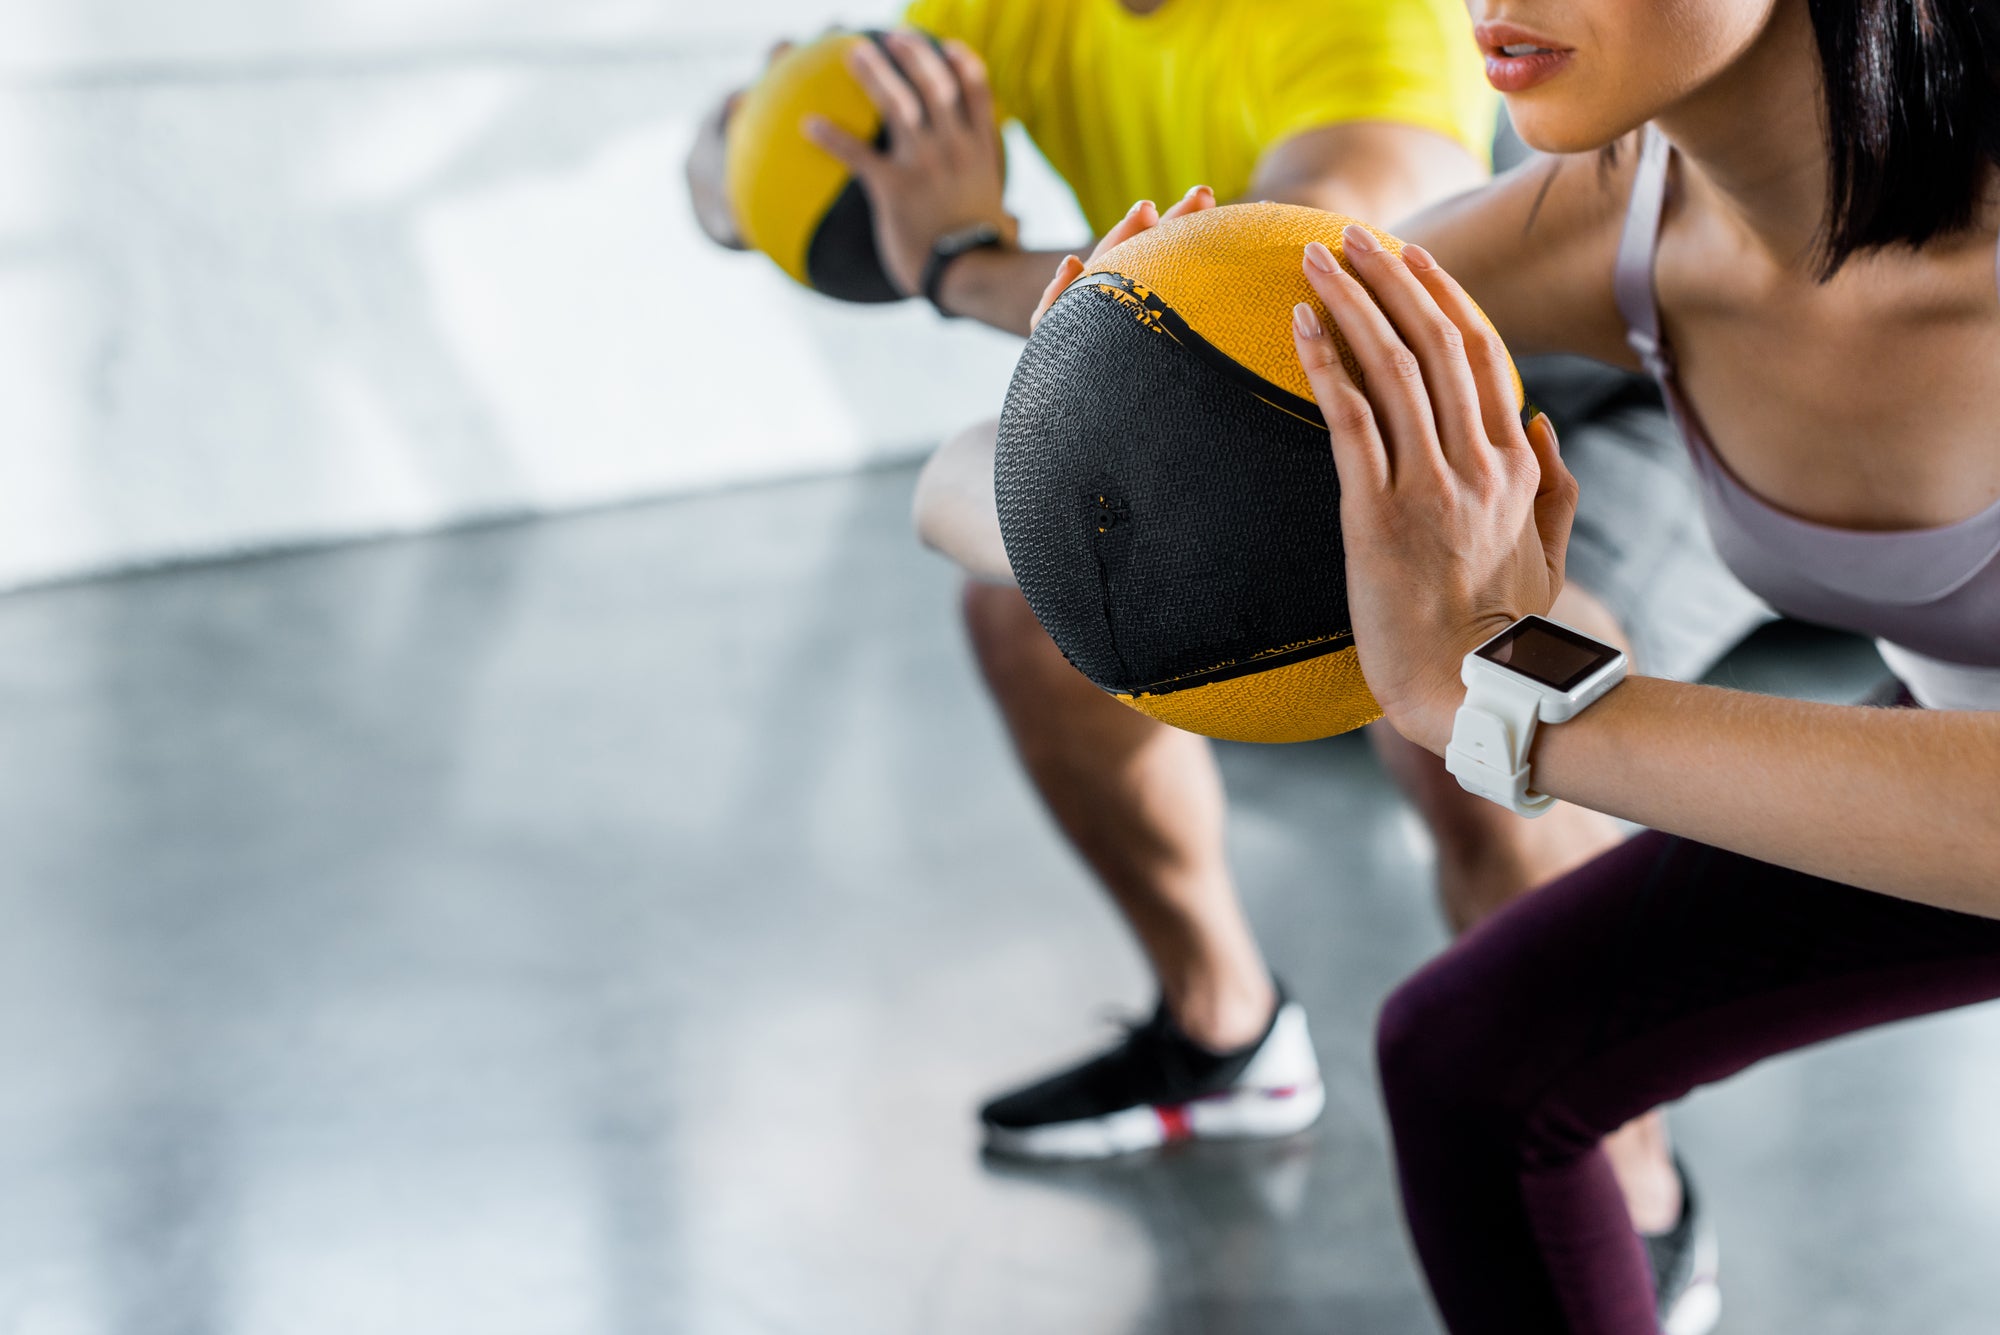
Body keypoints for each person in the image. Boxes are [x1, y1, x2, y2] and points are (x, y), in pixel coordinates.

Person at [1068, 0, 2000, 1328]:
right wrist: (1093, 383)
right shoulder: (1625, 219)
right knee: (1475, 1062)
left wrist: (1494, 689)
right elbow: (978, 480)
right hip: (1950, 749)